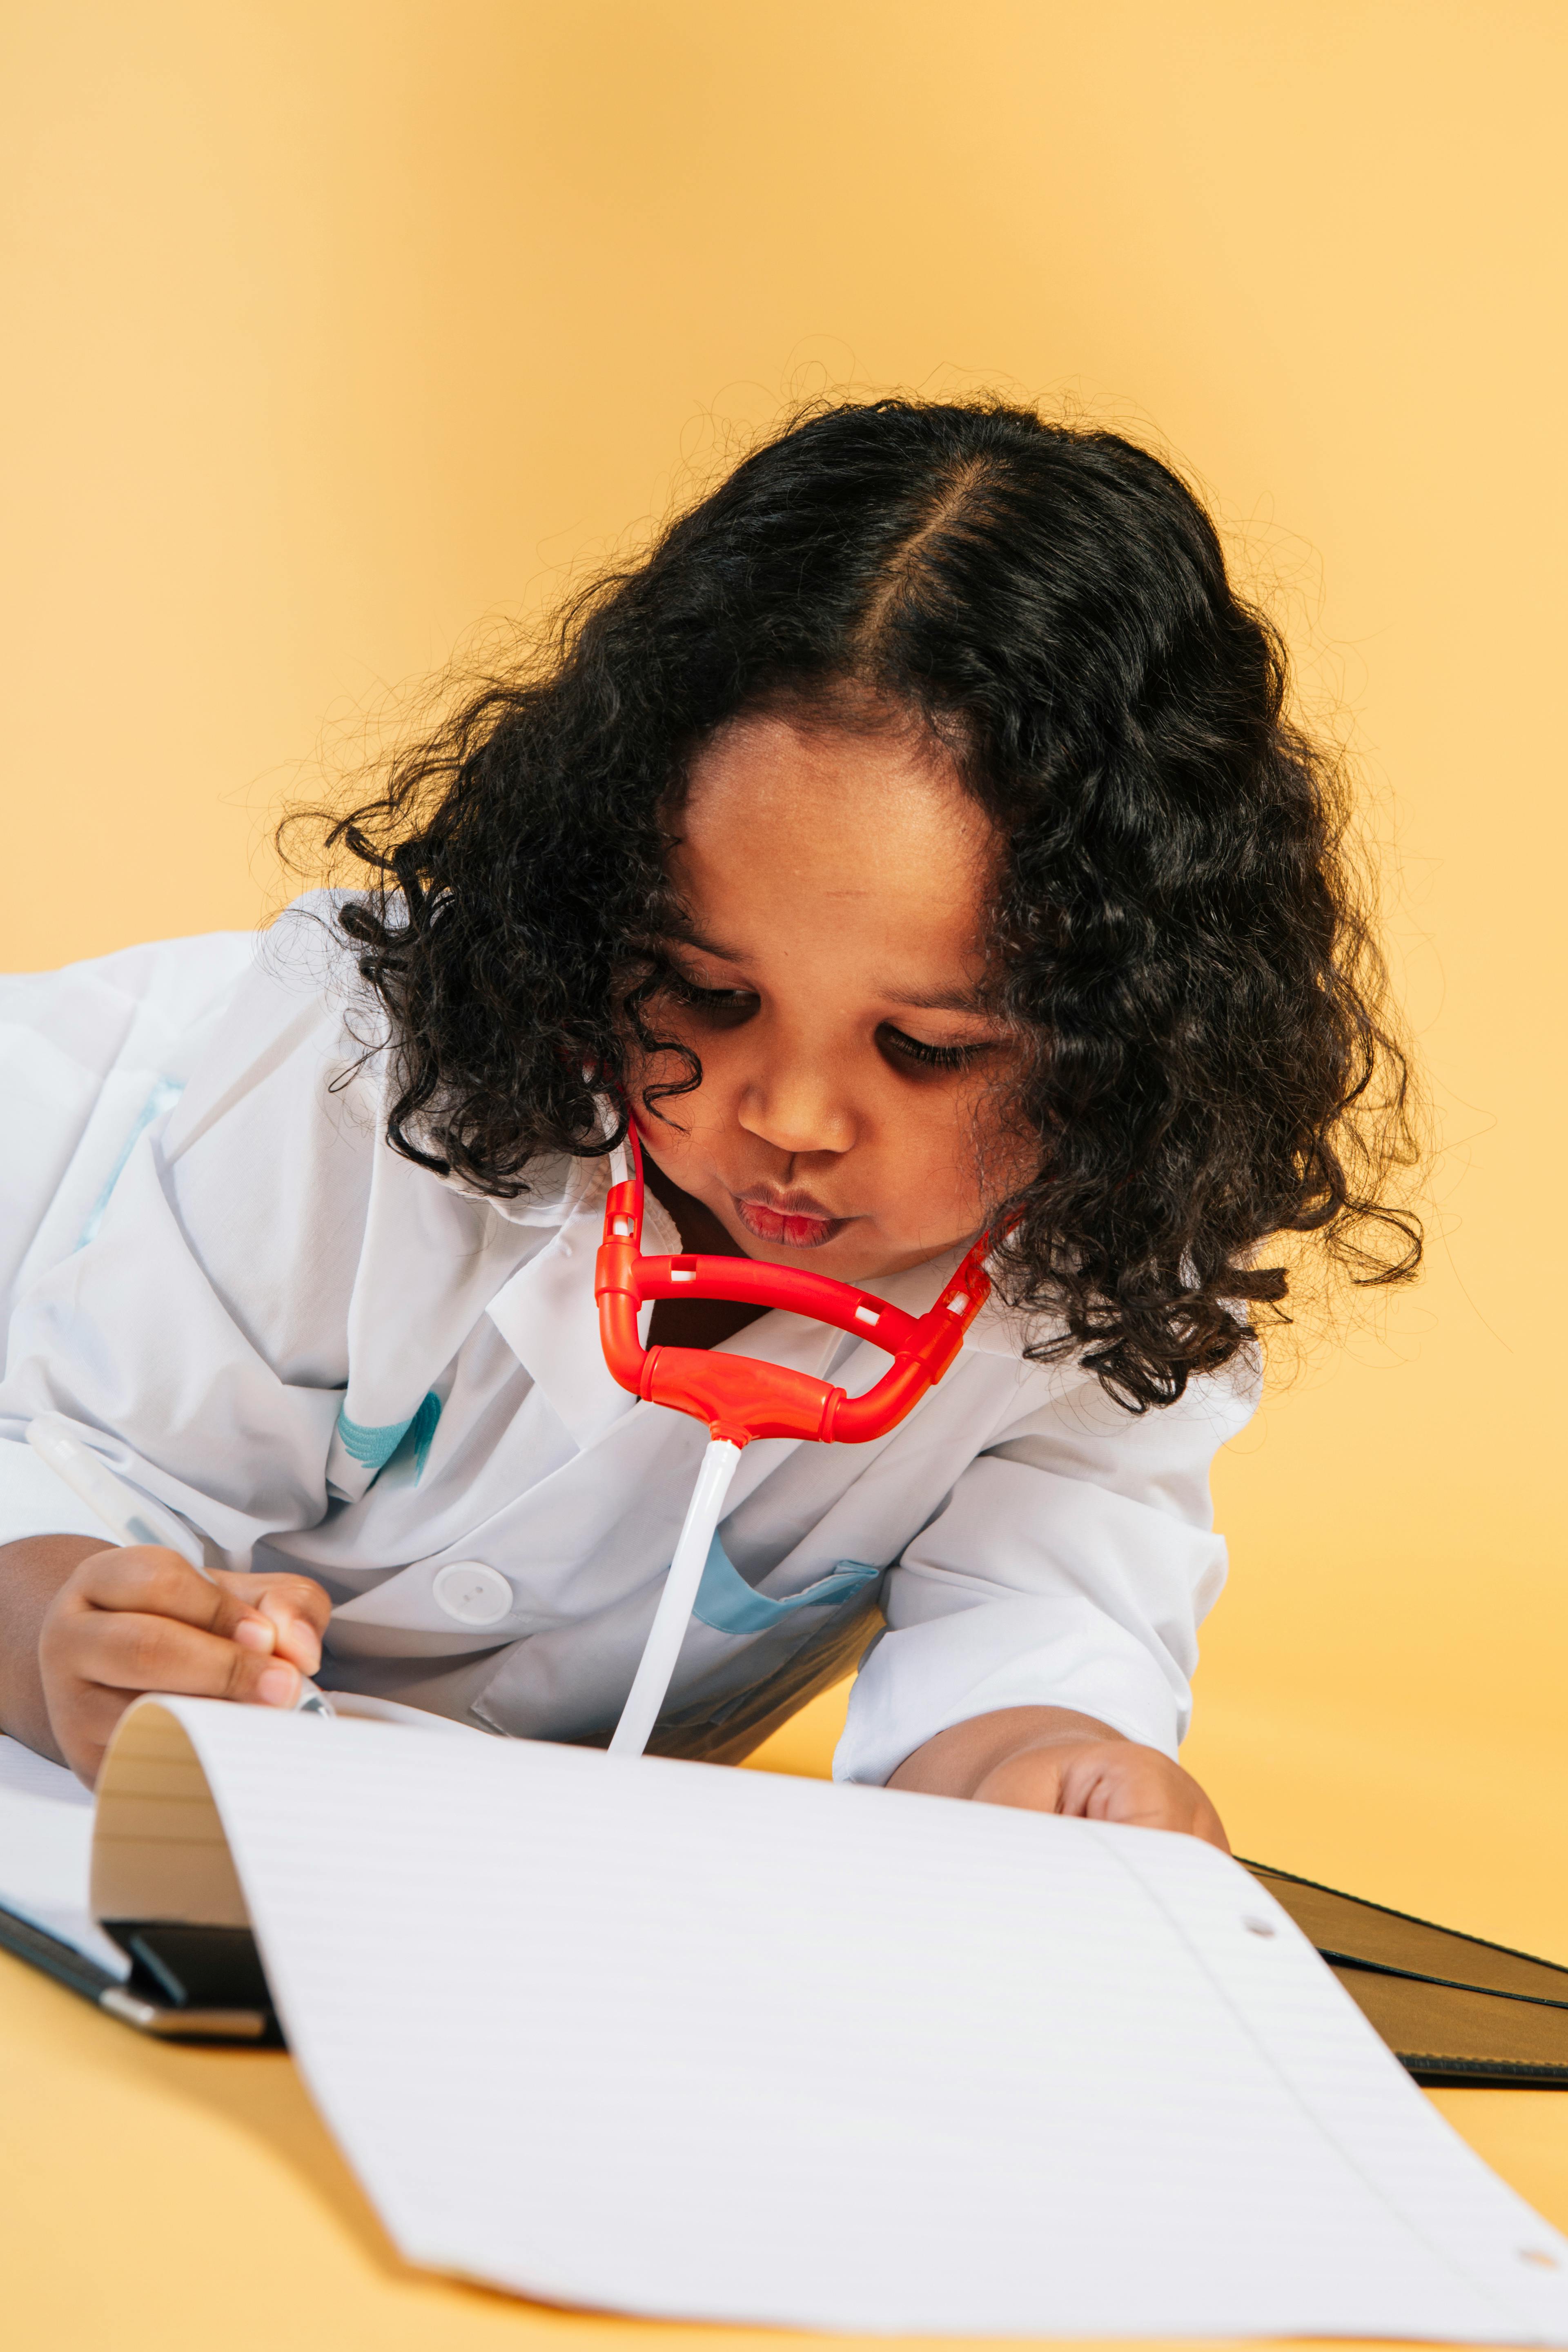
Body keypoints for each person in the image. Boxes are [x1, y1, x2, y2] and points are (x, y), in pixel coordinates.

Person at [0, 399, 1419, 1835]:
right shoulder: (370, 1063)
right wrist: (75, 1630)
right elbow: (86, 1479)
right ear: (591, 905)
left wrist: (1046, 1773)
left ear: (1133, 1039)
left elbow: (1030, 1644)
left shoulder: (1107, 1284)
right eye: (702, 991)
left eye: (927, 1048)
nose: (794, 1117)